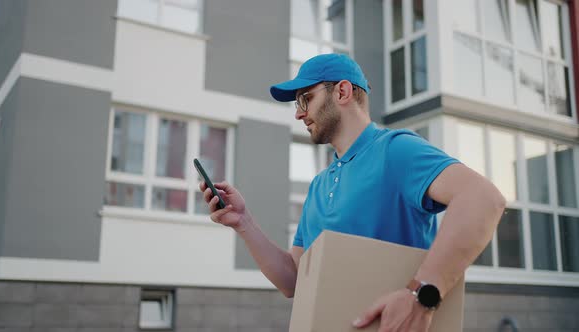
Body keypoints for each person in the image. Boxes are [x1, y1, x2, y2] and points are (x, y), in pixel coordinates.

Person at [199, 53, 505, 331]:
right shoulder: (320, 184)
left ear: (342, 92)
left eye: (306, 98)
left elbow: (484, 199)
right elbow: (294, 280)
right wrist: (243, 222)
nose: (298, 114)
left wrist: (421, 295)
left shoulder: (395, 150)